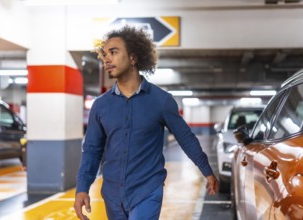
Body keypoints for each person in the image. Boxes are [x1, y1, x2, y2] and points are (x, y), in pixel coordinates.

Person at [74, 25, 219, 220]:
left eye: (114, 52)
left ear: (133, 57)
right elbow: (92, 150)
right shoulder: (101, 106)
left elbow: (185, 137)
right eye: (105, 54)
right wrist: (82, 188)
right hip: (112, 194)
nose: (106, 59)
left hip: (147, 191)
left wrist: (206, 170)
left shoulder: (161, 101)